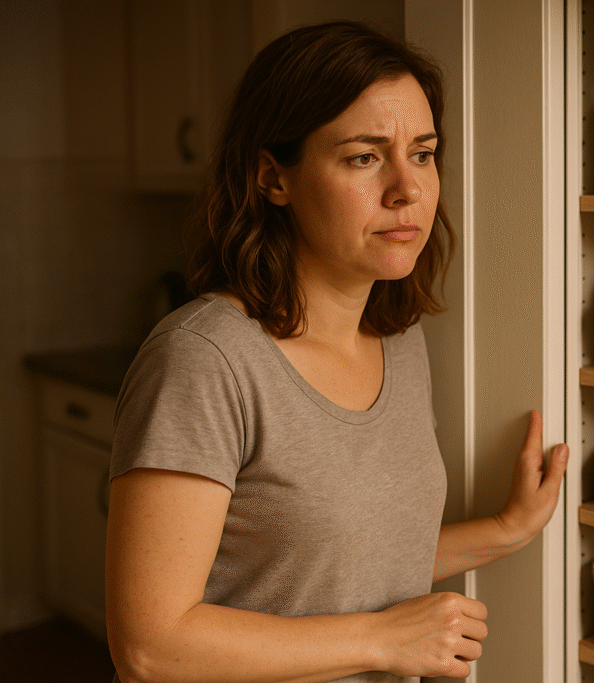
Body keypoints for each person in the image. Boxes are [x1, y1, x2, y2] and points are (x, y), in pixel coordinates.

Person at [105, 20, 568, 683]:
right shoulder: (204, 358)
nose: (407, 189)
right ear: (274, 177)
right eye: (364, 156)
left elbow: (341, 563)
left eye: (424, 152)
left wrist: (506, 528)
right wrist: (385, 639)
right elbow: (151, 646)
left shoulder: (400, 341)